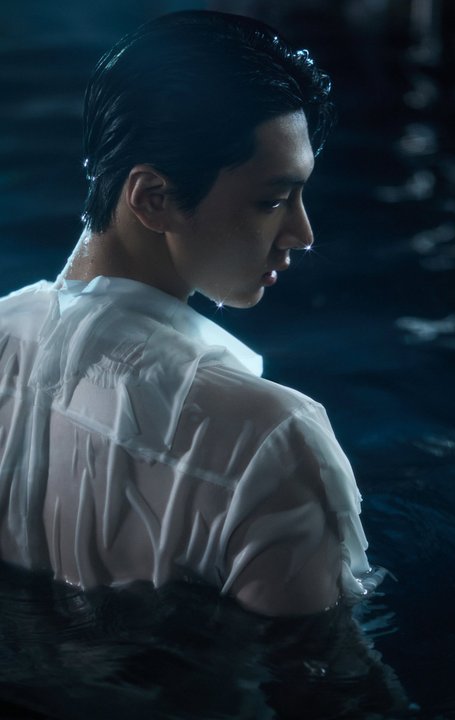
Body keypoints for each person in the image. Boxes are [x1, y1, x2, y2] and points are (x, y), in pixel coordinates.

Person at [0, 10, 383, 616]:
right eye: (273, 200)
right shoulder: (272, 442)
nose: (303, 234)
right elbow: (318, 670)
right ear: (154, 198)